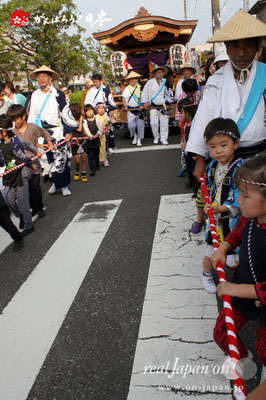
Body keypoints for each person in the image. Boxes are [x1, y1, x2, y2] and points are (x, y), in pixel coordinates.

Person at [186, 10, 266, 181]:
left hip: (262, 156)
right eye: (236, 46)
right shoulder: (216, 79)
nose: (242, 53)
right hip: (226, 159)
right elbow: (203, 117)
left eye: (248, 46)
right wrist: (200, 159)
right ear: (227, 49)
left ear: (258, 48)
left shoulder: (265, 74)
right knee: (228, 205)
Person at [211, 153, 266, 384]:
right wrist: (224, 246)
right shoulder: (250, 218)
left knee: (265, 349)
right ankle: (243, 358)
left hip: (248, 292)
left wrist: (233, 289)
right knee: (222, 333)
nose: (238, 201)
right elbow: (237, 233)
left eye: (244, 195)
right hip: (242, 287)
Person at [201, 118, 244, 294]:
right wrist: (208, 201)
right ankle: (206, 273)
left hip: (233, 218)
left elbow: (239, 194)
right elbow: (209, 188)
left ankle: (236, 278)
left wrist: (221, 208)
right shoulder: (212, 166)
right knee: (211, 248)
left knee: (234, 251)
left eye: (223, 145)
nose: (218, 151)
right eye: (212, 147)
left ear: (236, 144)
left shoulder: (241, 168)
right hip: (215, 218)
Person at [27, 65, 72, 196]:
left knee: (61, 157)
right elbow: (32, 115)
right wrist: (30, 134)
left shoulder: (58, 93)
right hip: (41, 131)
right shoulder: (34, 95)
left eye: (43, 77)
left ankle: (64, 185)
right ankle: (54, 183)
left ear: (50, 78)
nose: (41, 79)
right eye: (38, 77)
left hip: (57, 130)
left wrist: (68, 131)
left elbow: (65, 112)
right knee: (47, 159)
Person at [7, 104, 54, 218]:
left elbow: (44, 133)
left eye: (16, 119)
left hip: (34, 163)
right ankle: (33, 208)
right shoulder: (12, 132)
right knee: (26, 190)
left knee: (36, 186)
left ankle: (39, 207)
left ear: (23, 116)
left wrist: (49, 143)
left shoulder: (33, 127)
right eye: (12, 120)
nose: (15, 122)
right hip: (21, 166)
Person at [0, 115, 37, 237]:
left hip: (21, 174)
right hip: (9, 174)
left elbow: (27, 151)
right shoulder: (0, 144)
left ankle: (29, 226)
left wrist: (34, 156)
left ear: (4, 132)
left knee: (22, 201)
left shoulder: (16, 141)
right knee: (9, 201)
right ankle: (21, 215)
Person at [141, 65, 174, 145]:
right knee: (153, 123)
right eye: (158, 72)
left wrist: (169, 103)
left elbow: (169, 93)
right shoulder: (150, 82)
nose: (160, 74)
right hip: (153, 106)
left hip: (163, 105)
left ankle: (164, 138)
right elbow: (145, 92)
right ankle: (156, 137)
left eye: (161, 72)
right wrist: (145, 102)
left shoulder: (166, 82)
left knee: (164, 123)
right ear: (155, 74)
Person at [175, 79, 201, 177]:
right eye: (187, 92)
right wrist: (179, 121)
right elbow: (178, 110)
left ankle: (197, 163)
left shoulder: (199, 95)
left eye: (191, 92)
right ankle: (184, 166)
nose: (189, 94)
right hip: (185, 122)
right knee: (184, 148)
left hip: (197, 122)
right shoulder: (182, 96)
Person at [84, 74, 117, 152]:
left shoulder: (106, 89)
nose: (96, 84)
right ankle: (98, 146)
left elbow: (110, 100)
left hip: (104, 111)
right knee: (97, 129)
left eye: (97, 82)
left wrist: (111, 111)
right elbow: (87, 101)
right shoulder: (91, 91)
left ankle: (109, 146)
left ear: (101, 81)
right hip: (95, 113)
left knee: (107, 128)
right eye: (94, 82)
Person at [177, 97, 198, 197]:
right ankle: (191, 182)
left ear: (188, 112)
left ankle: (196, 189)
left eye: (182, 112)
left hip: (194, 151)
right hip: (187, 150)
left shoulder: (196, 123)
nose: (181, 114)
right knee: (189, 169)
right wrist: (184, 141)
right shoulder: (185, 123)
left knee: (195, 170)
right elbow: (184, 134)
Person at [64, 103, 87, 182]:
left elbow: (84, 129)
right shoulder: (72, 121)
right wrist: (80, 120)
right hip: (74, 142)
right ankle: (77, 170)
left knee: (83, 158)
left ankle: (83, 174)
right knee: (77, 160)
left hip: (83, 140)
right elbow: (79, 129)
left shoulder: (83, 118)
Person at [122, 71, 145, 147]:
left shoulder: (141, 88)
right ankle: (134, 135)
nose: (133, 81)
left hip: (139, 109)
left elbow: (145, 98)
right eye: (131, 79)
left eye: (135, 79)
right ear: (129, 80)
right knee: (130, 126)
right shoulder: (126, 89)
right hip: (130, 110)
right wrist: (125, 106)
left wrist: (143, 105)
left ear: (137, 79)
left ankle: (139, 139)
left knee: (140, 124)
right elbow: (124, 99)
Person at [83, 104, 102, 176]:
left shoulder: (97, 120)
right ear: (85, 113)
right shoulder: (84, 121)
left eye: (91, 110)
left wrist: (96, 135)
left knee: (96, 154)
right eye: (88, 111)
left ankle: (97, 164)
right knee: (90, 156)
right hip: (89, 141)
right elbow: (86, 130)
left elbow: (100, 129)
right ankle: (92, 170)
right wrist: (90, 136)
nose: (90, 112)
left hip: (96, 140)